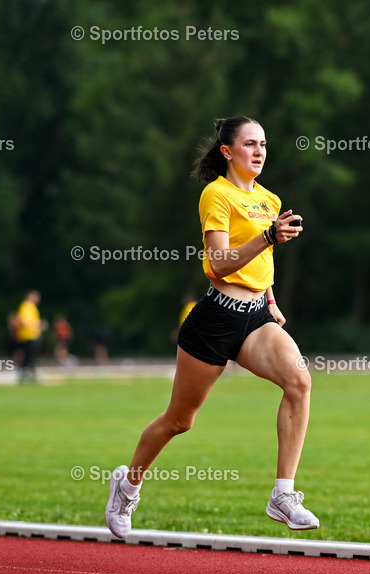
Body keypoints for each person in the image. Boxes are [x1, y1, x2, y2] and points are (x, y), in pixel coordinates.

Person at [105, 116, 317, 538]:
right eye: (250, 144)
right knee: (180, 421)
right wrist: (268, 238)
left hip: (256, 318)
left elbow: (263, 264)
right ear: (227, 152)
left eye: (263, 145)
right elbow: (219, 262)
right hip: (214, 320)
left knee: (299, 381)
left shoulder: (270, 199)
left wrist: (271, 300)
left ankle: (283, 494)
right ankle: (127, 486)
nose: (259, 152)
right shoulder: (215, 194)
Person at [16, 291, 42, 382]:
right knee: (29, 357)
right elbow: (23, 321)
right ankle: (27, 375)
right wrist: (35, 325)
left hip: (33, 335)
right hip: (28, 335)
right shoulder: (26, 306)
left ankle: (28, 375)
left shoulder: (32, 307)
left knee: (31, 356)